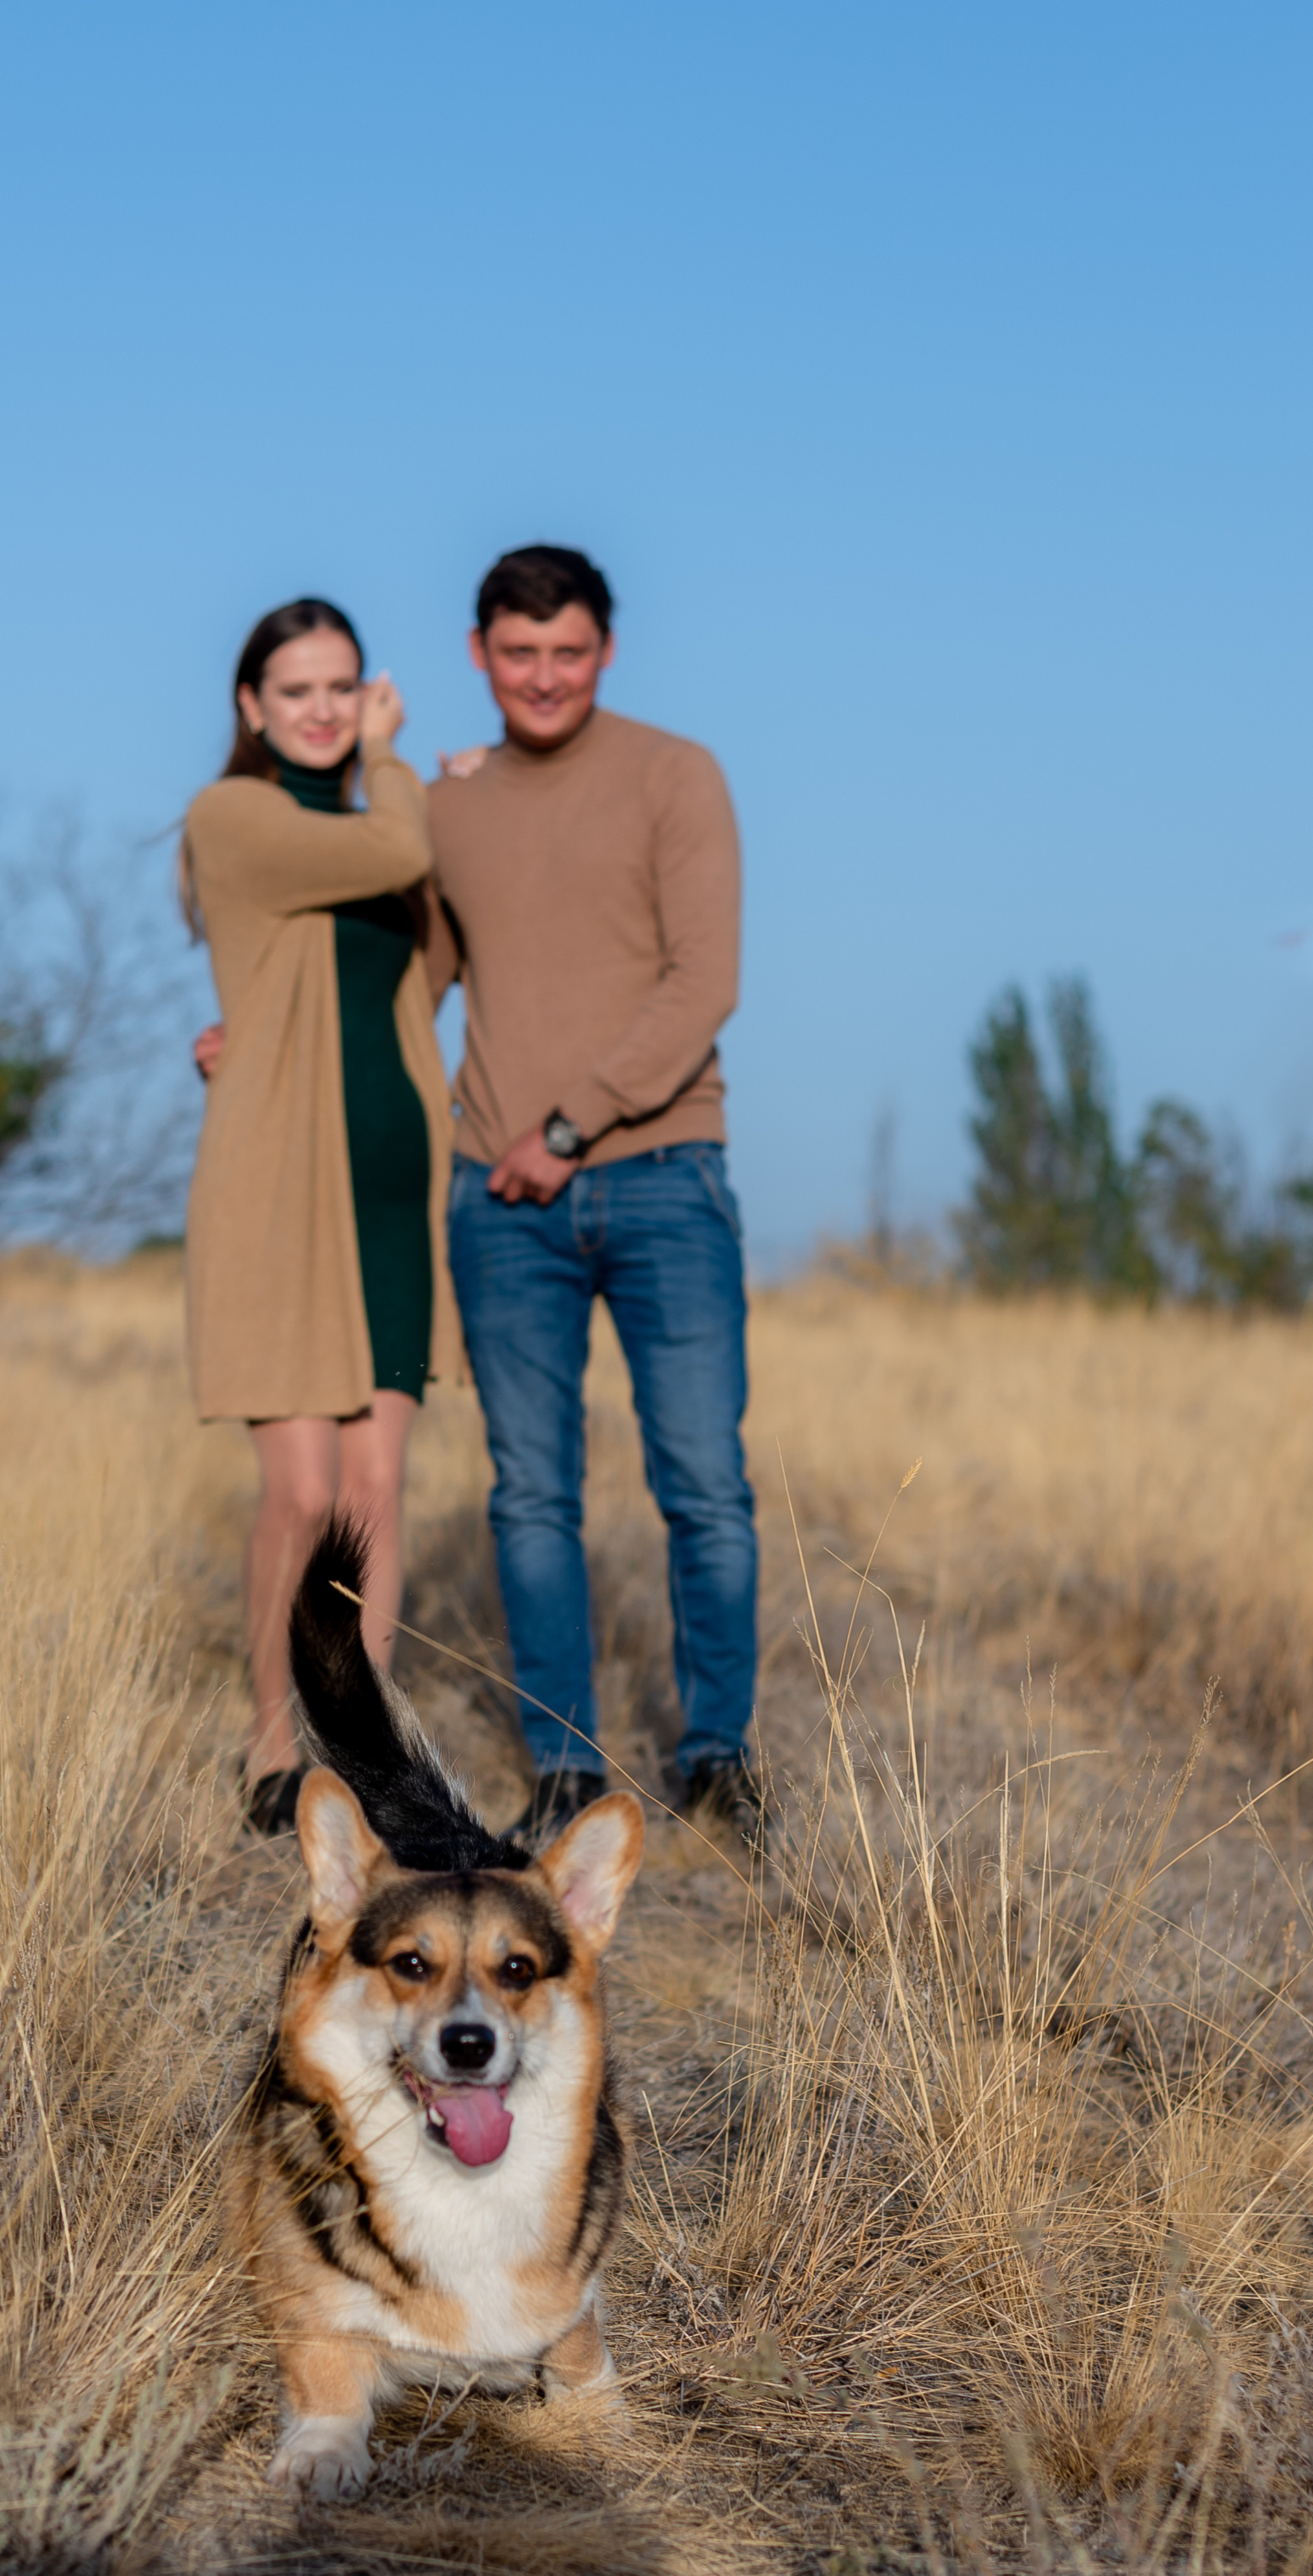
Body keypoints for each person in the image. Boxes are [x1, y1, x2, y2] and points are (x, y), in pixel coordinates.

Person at [425, 546, 761, 1848]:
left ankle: (719, 1752)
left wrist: (568, 1125)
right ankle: (562, 1765)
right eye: (521, 654)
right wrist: (263, 1033)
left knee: (703, 1481)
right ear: (479, 654)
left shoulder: (677, 775)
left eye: (570, 653)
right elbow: (416, 977)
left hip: (666, 1177)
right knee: (531, 1489)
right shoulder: (451, 807)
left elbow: (704, 982)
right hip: (502, 1204)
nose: (546, 676)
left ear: (606, 650)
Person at [181, 598, 459, 1835]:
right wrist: (400, 764)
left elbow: (436, 953)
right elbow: (395, 860)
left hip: (394, 1184)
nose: (325, 709)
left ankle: (362, 1752)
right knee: (301, 1492)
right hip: (279, 1188)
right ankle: (272, 1735)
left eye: (344, 687)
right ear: (252, 703)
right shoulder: (235, 817)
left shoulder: (378, 818)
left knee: (376, 1482)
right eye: (298, 688)